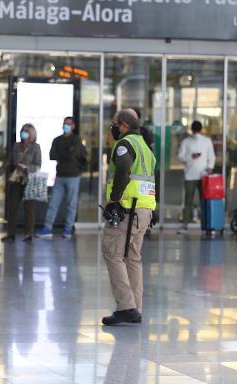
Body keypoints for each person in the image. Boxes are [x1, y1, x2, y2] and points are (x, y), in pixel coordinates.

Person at [101, 110, 156, 326]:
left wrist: (114, 199)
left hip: (128, 208)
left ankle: (126, 307)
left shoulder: (125, 145)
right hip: (144, 209)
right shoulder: (146, 148)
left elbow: (123, 169)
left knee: (112, 253)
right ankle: (135, 307)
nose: (112, 128)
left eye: (114, 124)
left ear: (123, 125)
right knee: (132, 257)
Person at [36, 117, 86, 240]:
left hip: (73, 176)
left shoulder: (76, 140)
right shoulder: (57, 140)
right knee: (53, 204)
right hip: (60, 176)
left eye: (68, 124)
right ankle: (47, 228)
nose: (66, 126)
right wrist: (67, 152)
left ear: (73, 126)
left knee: (71, 205)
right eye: (65, 124)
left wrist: (64, 154)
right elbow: (52, 155)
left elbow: (72, 155)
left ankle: (68, 229)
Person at [0, 124, 42, 243]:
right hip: (16, 179)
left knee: (29, 208)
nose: (23, 133)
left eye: (26, 131)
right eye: (22, 131)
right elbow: (8, 161)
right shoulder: (16, 146)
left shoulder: (36, 147)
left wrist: (26, 167)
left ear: (31, 133)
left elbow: (38, 165)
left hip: (29, 180)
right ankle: (11, 234)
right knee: (12, 207)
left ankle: (28, 234)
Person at [176, 121, 216, 234]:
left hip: (194, 175)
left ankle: (186, 226)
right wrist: (209, 167)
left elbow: (180, 156)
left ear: (191, 129)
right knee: (204, 201)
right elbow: (212, 156)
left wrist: (189, 157)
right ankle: (206, 226)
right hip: (199, 175)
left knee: (189, 201)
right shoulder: (206, 141)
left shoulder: (187, 141)